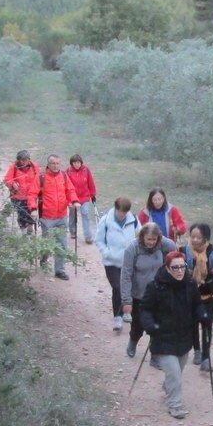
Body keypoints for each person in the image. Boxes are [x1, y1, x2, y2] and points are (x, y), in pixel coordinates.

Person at [139, 250, 207, 419]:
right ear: (167, 268)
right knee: (175, 374)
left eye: (182, 267)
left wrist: (203, 315)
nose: (179, 271)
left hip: (184, 337)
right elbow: (145, 309)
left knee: (178, 369)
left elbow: (197, 305)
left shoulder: (190, 284)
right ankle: (175, 405)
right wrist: (150, 325)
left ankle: (169, 387)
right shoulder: (155, 286)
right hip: (162, 338)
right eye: (175, 267)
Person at [120, 223, 176, 358]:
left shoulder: (164, 245)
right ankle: (133, 341)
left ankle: (155, 355)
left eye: (154, 239)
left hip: (158, 293)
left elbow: (174, 256)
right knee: (138, 324)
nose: (151, 242)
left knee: (158, 325)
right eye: (148, 239)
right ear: (142, 237)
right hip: (139, 294)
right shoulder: (132, 248)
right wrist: (126, 301)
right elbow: (126, 275)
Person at [183, 223, 213, 372]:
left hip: (209, 295)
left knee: (207, 325)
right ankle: (197, 351)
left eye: (198, 237)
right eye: (192, 236)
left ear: (205, 237)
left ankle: (206, 357)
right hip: (191, 295)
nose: (194, 240)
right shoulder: (183, 250)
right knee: (193, 324)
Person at [95, 196, 139, 332]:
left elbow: (140, 237)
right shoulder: (106, 221)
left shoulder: (134, 221)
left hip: (128, 262)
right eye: (120, 211)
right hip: (111, 262)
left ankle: (127, 312)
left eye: (124, 212)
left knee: (128, 287)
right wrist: (107, 252)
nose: (122, 215)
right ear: (115, 209)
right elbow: (99, 240)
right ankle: (118, 317)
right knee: (118, 287)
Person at [38, 154, 79, 280]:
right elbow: (32, 193)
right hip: (47, 217)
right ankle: (43, 260)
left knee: (62, 244)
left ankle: (59, 270)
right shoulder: (41, 177)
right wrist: (33, 209)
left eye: (57, 163)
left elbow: (70, 190)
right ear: (48, 164)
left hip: (62, 216)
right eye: (53, 163)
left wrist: (75, 200)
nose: (55, 166)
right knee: (47, 244)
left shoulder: (64, 176)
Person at [2, 150, 40, 234]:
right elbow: (6, 180)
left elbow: (39, 177)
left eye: (26, 160)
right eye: (22, 160)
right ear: (18, 160)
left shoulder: (34, 166)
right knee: (22, 215)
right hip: (17, 196)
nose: (24, 162)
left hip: (31, 196)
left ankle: (30, 230)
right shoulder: (14, 167)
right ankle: (24, 233)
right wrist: (12, 184)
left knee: (31, 214)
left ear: (29, 159)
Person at [66, 153, 97, 244]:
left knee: (85, 214)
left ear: (81, 163)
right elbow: (66, 186)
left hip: (85, 197)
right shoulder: (68, 171)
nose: (76, 164)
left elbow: (90, 182)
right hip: (73, 198)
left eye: (78, 162)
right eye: (74, 163)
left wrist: (93, 195)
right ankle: (73, 231)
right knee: (72, 215)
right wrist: (68, 199)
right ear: (71, 163)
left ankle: (88, 236)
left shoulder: (86, 170)